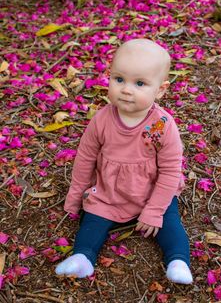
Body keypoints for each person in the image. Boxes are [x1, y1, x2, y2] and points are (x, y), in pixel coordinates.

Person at [55, 39, 193, 284]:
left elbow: (171, 170)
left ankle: (178, 261)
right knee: (92, 220)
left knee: (169, 223)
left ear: (160, 90)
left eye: (139, 83)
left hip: (152, 191)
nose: (126, 89)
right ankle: (83, 258)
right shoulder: (102, 119)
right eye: (119, 79)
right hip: (110, 191)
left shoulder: (162, 125)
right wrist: (76, 195)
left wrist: (154, 210)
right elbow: (85, 158)